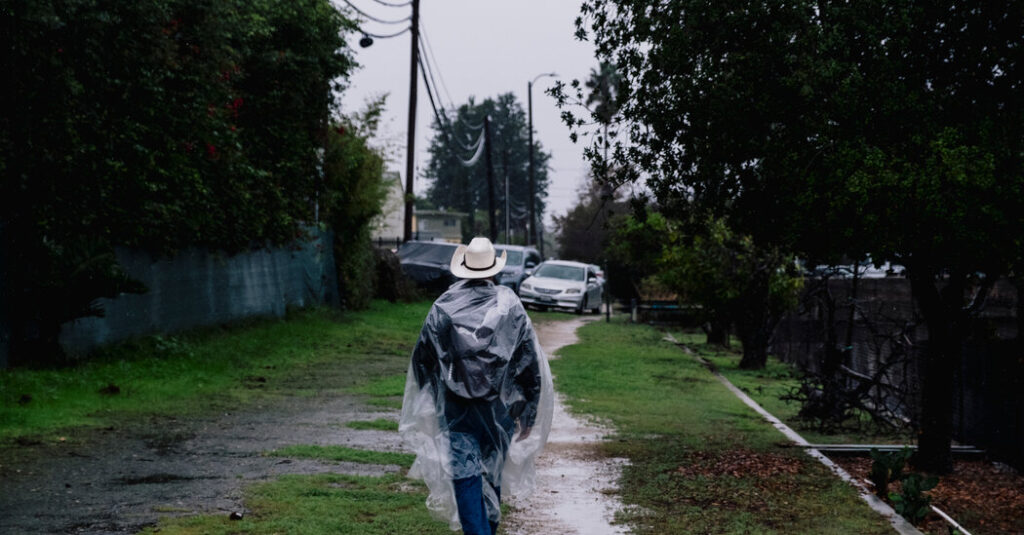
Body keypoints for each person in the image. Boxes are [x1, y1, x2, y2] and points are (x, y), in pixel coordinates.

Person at [400, 237, 554, 535]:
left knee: (466, 478)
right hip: (500, 409)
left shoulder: (444, 306)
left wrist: (432, 396)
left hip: (457, 410)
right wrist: (529, 411)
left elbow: (423, 358)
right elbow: (528, 362)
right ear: (494, 269)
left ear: (464, 268)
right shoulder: (509, 306)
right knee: (491, 474)